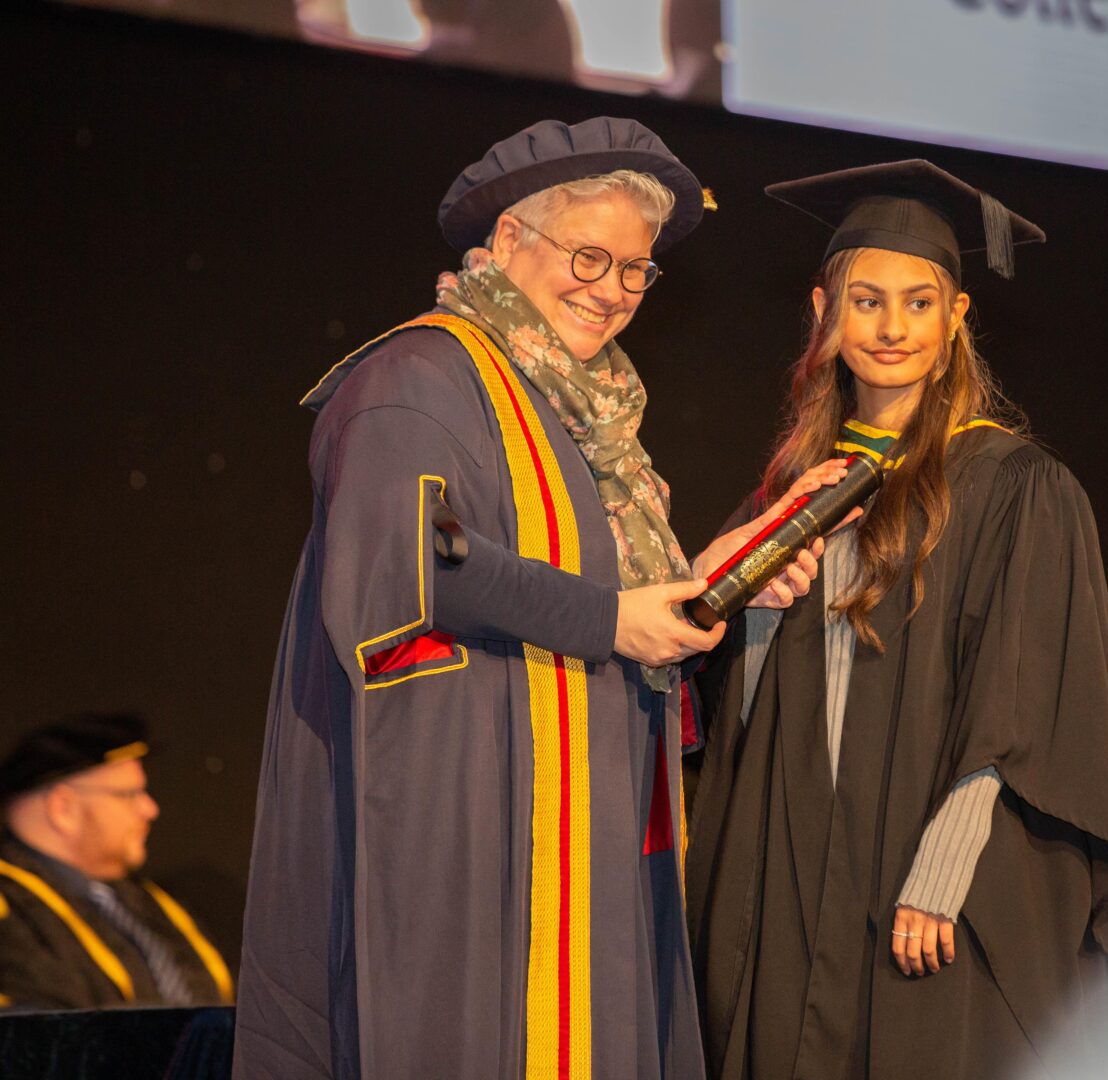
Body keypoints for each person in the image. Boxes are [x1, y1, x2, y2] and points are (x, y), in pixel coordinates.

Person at [233, 116, 838, 1080]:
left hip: (581, 814)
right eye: (588, 256)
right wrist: (610, 619)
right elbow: (418, 555)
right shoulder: (418, 378)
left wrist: (714, 580)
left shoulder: (584, 413)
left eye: (635, 270)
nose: (611, 291)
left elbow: (603, 595)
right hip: (466, 815)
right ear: (509, 239)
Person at [685, 160, 1108, 1080]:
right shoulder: (783, 494)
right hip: (787, 877)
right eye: (867, 300)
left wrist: (944, 881)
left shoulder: (1015, 489)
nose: (892, 327)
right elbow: (733, 704)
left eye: (918, 301)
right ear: (824, 310)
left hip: (922, 889)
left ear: (955, 321)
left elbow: (1021, 711)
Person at [0, 712, 233, 1011]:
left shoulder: (149, 903)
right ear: (63, 809)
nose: (150, 809)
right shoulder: (12, 908)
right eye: (130, 794)